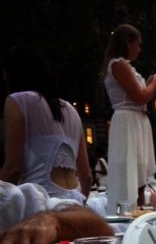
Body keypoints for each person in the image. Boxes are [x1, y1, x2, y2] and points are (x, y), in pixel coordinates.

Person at [0, 45, 92, 202]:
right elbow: (87, 177)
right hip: (75, 205)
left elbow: (13, 169)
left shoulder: (18, 101)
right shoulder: (71, 110)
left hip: (39, 207)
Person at [102, 24, 156, 215]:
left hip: (135, 121)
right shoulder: (118, 64)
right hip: (127, 122)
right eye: (137, 44)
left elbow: (137, 96)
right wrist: (154, 83)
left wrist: (147, 85)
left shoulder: (125, 66)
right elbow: (140, 97)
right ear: (128, 43)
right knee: (128, 169)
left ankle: (137, 209)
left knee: (138, 170)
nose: (139, 49)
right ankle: (127, 212)